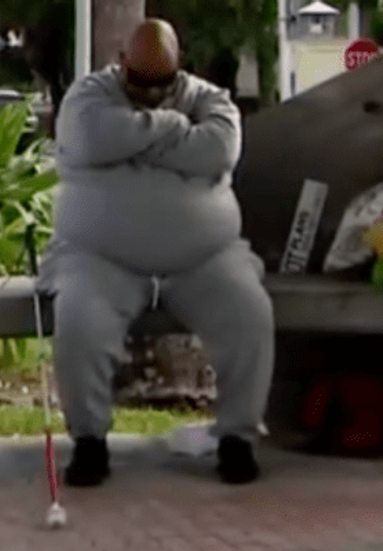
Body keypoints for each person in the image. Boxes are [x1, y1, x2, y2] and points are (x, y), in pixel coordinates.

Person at [37, 18, 275, 486]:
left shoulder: (213, 101)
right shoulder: (87, 98)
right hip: (98, 257)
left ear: (179, 67)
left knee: (250, 312)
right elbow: (92, 139)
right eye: (139, 82)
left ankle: (237, 439)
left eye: (161, 83)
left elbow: (218, 151)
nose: (149, 92)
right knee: (79, 320)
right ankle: (89, 442)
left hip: (204, 259)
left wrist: (131, 145)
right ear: (121, 62)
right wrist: (170, 127)